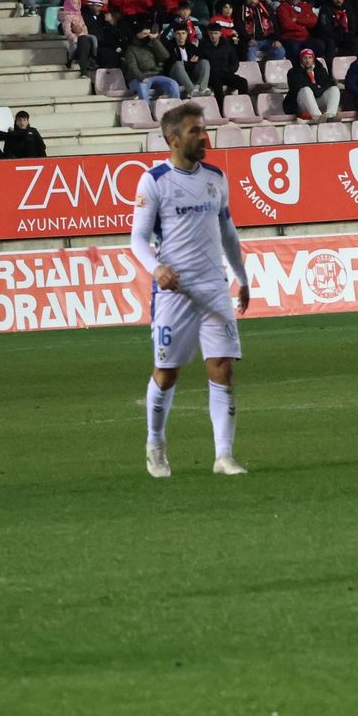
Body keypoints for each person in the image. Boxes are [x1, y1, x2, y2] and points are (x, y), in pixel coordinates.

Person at [130, 102, 250, 478]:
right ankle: (155, 444)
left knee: (223, 368)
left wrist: (242, 277)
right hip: (175, 292)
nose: (205, 137)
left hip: (214, 287)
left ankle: (224, 456)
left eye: (204, 129)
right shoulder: (155, 180)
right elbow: (136, 239)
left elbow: (227, 231)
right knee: (167, 373)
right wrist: (157, 268)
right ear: (173, 138)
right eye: (196, 131)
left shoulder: (216, 176)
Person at [286, 47, 340, 122]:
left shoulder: (320, 69)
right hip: (302, 103)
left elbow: (327, 84)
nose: (307, 60)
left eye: (310, 57)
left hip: (318, 98)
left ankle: (330, 116)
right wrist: (317, 87)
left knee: (334, 89)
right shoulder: (293, 72)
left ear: (313, 59)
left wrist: (316, 88)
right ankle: (317, 117)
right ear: (301, 59)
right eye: (305, 58)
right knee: (306, 90)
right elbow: (297, 87)